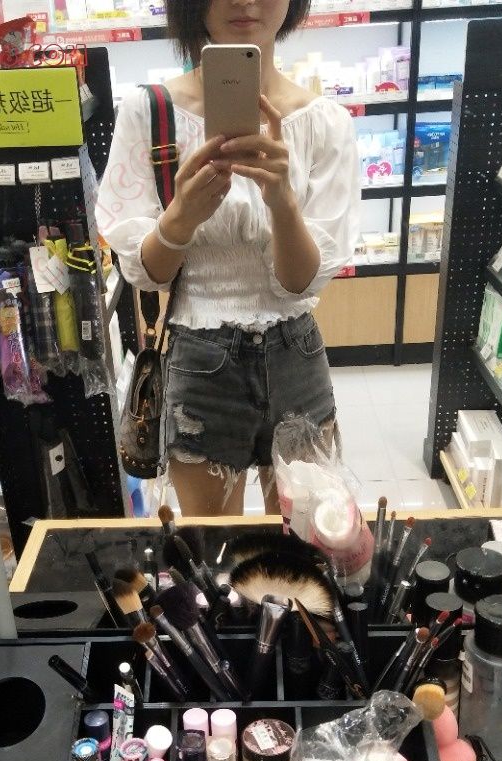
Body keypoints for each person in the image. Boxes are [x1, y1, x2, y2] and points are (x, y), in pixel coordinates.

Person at [95, 0, 360, 516]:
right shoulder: (150, 114)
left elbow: (300, 283)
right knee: (213, 547)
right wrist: (181, 217)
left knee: (310, 537)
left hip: (295, 352)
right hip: (200, 357)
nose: (245, 0)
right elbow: (148, 274)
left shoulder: (325, 123)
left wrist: (282, 202)